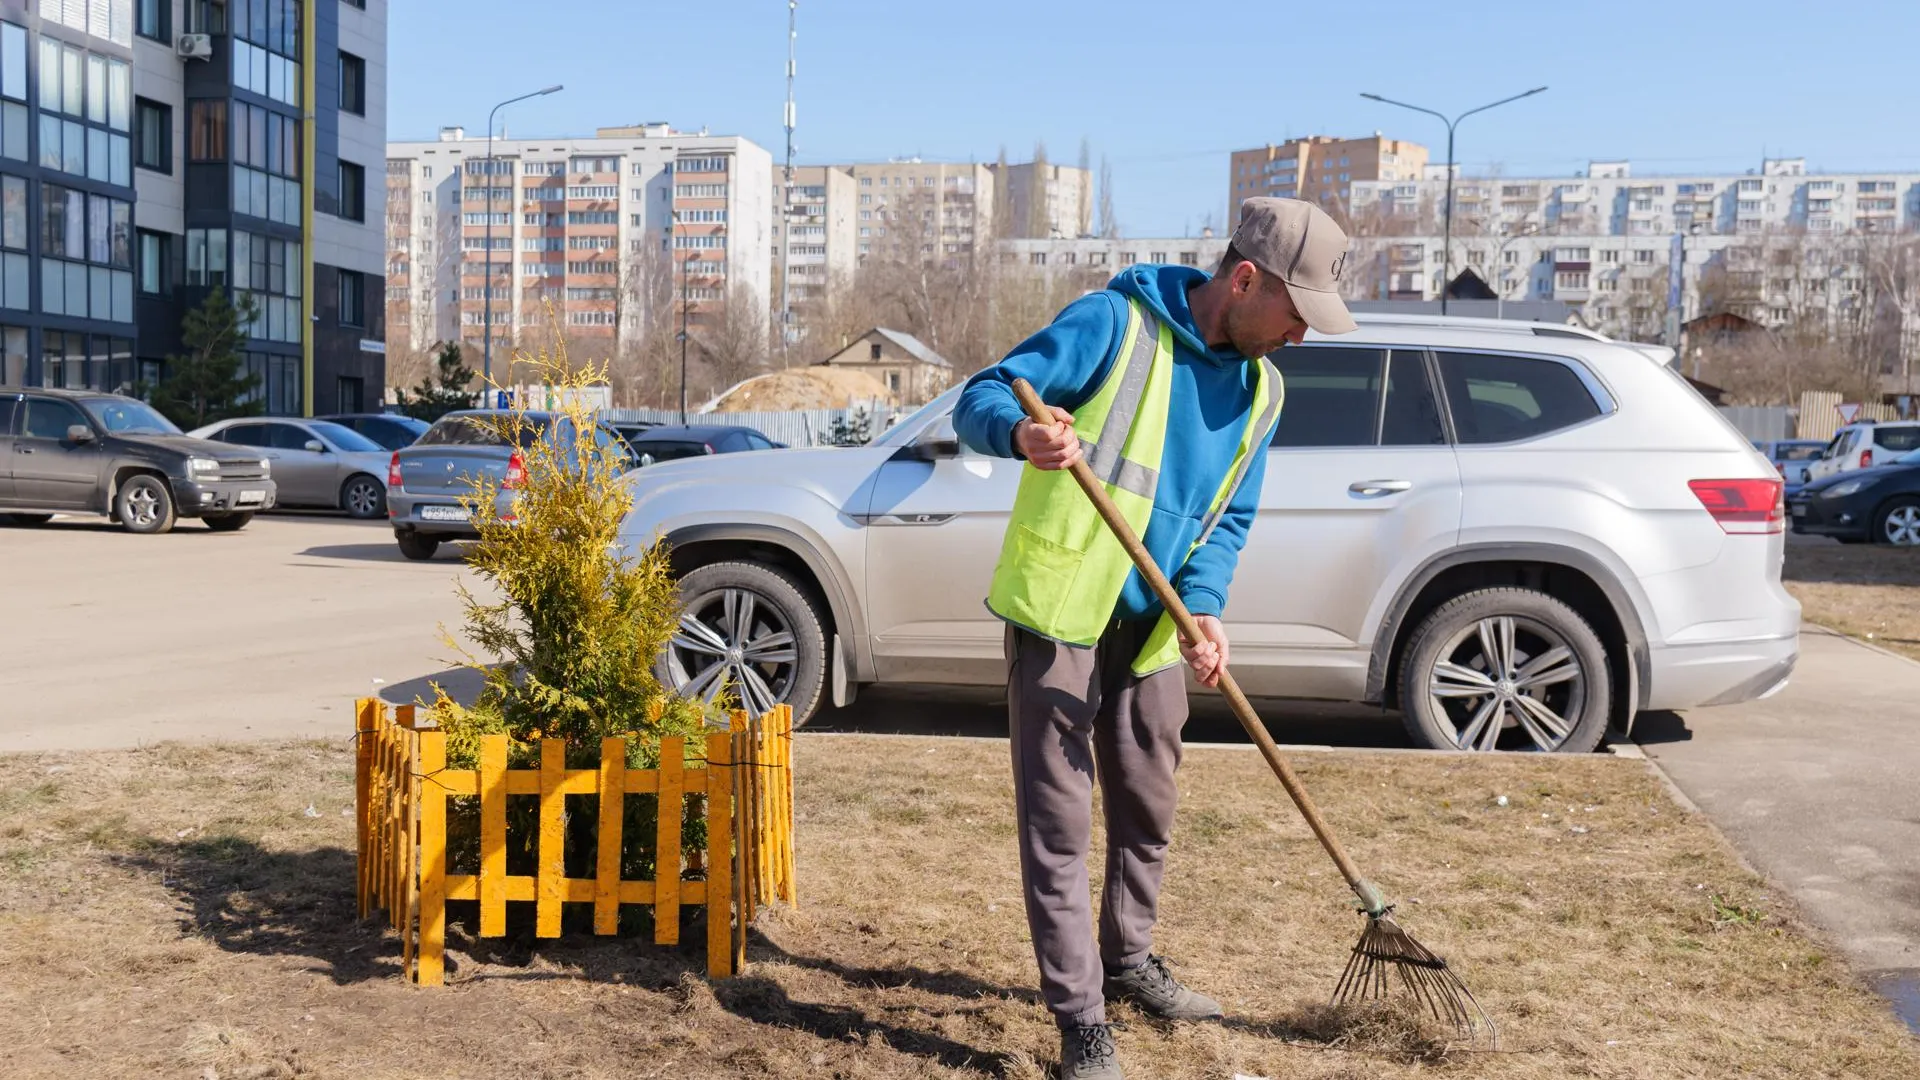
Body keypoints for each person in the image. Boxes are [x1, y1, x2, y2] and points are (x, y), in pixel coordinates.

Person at [953, 197, 1358, 1079]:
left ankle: (1128, 960)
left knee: (1148, 807)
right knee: (1060, 825)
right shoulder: (1114, 325)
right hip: (1063, 613)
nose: (1300, 335)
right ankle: (1081, 1020)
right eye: (1295, 313)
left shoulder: (1264, 391)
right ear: (1244, 279)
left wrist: (1203, 606)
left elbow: (1229, 517)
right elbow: (982, 393)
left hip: (1153, 627)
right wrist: (1022, 433)